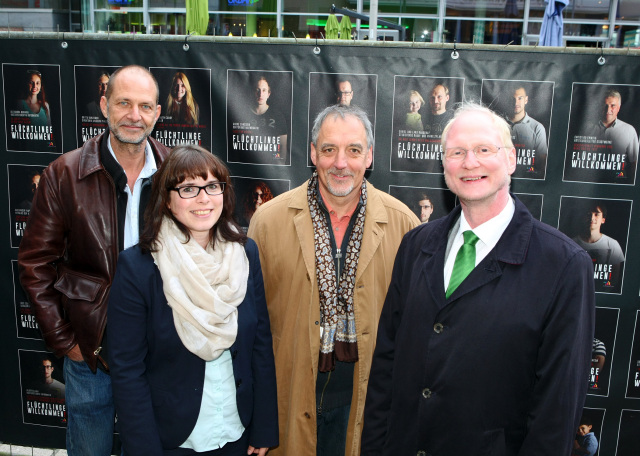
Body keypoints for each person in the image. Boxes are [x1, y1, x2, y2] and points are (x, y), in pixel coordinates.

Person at [362, 103, 595, 456]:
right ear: (444, 166)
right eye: (456, 152)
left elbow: (556, 411)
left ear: (512, 159)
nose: (470, 162)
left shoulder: (563, 265)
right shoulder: (416, 244)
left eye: (484, 149)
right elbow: (385, 369)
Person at [248, 104, 420, 456]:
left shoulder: (405, 226)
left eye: (353, 150)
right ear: (313, 154)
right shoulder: (267, 222)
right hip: (289, 402)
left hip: (364, 407)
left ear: (369, 156)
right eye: (329, 150)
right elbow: (250, 330)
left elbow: (415, 332)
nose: (341, 163)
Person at [18, 64, 170, 456]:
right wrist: (65, 341)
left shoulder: (178, 172)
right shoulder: (64, 174)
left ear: (156, 113)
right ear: (104, 105)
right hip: (90, 353)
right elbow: (35, 264)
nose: (134, 115)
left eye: (144, 106)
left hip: (161, 351)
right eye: (123, 103)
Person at [107, 145, 278, 455]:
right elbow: (127, 371)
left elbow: (260, 345)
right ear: (167, 200)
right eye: (188, 188)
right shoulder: (139, 269)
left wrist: (264, 428)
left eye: (212, 186)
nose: (203, 198)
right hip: (171, 438)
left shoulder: (246, 253)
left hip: (236, 431)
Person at [593, 89, 639, 180]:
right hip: (592, 181)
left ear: (619, 107)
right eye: (605, 105)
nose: (608, 109)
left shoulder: (629, 130)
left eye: (612, 105)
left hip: (618, 180)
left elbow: (634, 163)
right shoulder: (587, 128)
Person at [572, 202, 625, 279]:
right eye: (588, 214)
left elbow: (614, 279)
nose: (592, 218)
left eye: (596, 214)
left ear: (603, 220)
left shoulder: (613, 245)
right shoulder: (572, 243)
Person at [506, 86, 548, 177]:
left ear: (526, 100)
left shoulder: (537, 128)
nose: (516, 102)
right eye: (513, 99)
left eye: (520, 98)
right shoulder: (497, 124)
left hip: (527, 182)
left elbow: (542, 163)